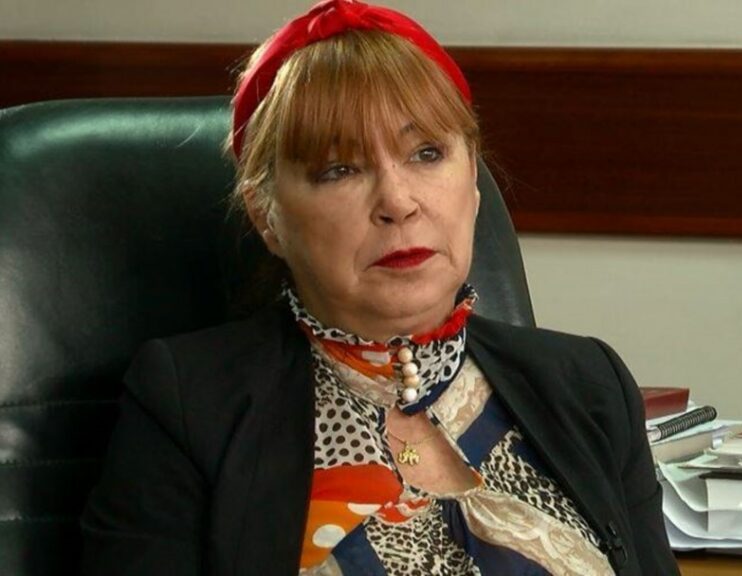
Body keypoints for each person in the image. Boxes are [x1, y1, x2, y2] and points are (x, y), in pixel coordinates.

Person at [80, 1, 676, 574]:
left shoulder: (589, 384)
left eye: (426, 153)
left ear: (472, 181)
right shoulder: (189, 408)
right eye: (340, 169)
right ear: (267, 217)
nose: (397, 201)